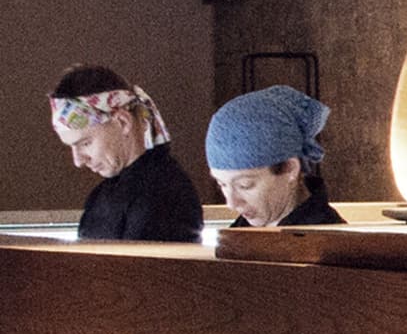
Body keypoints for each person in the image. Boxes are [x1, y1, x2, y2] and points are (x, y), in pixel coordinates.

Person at [48, 63, 204, 243]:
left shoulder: (164, 195)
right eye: (71, 147)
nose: (78, 161)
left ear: (122, 122)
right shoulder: (104, 194)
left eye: (85, 143)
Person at [205, 85, 343, 228]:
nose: (232, 204)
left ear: (290, 168)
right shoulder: (240, 235)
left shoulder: (331, 245)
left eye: (245, 185)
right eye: (222, 184)